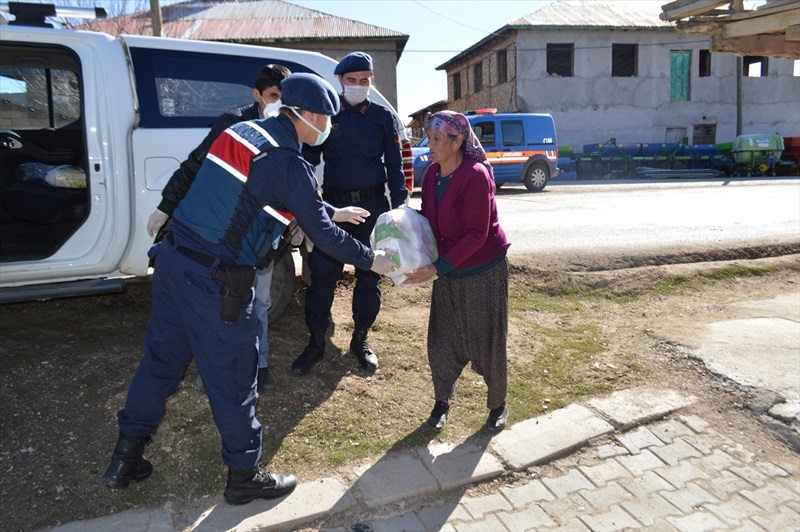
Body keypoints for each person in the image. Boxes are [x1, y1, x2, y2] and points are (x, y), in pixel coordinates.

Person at [101, 73, 397, 505]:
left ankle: (124, 458)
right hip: (214, 283)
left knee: (161, 363)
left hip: (171, 263)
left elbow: (262, 187)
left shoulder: (243, 132)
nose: (328, 128)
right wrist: (374, 260)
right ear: (311, 115)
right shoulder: (288, 161)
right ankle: (244, 477)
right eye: (328, 119)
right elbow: (322, 232)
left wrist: (332, 208)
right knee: (235, 380)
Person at [147, 64, 291, 394]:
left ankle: (260, 364)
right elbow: (196, 164)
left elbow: (296, 180)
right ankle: (210, 366)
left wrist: (298, 220)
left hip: (264, 233)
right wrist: (166, 206)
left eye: (286, 98)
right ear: (257, 95)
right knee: (216, 302)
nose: (280, 104)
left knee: (260, 302)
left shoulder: (292, 126)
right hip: (225, 233)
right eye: (273, 96)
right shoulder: (233, 123)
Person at [294, 51, 407, 375]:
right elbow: (307, 159)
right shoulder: (327, 117)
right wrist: (308, 201)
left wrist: (400, 205)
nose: (358, 85)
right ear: (341, 82)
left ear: (371, 82)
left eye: (364, 81)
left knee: (370, 278)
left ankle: (360, 339)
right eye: (351, 81)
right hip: (335, 208)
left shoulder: (384, 118)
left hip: (372, 208)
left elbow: (394, 165)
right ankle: (316, 341)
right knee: (321, 277)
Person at [404, 111, 511, 433]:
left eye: (435, 139)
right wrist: (403, 228)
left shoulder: (475, 175)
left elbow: (476, 236)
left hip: (482, 270)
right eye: (429, 138)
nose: (429, 145)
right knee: (442, 341)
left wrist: (437, 267)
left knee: (487, 342)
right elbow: (430, 217)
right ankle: (441, 403)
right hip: (449, 270)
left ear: (457, 140)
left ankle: (497, 405)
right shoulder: (434, 172)